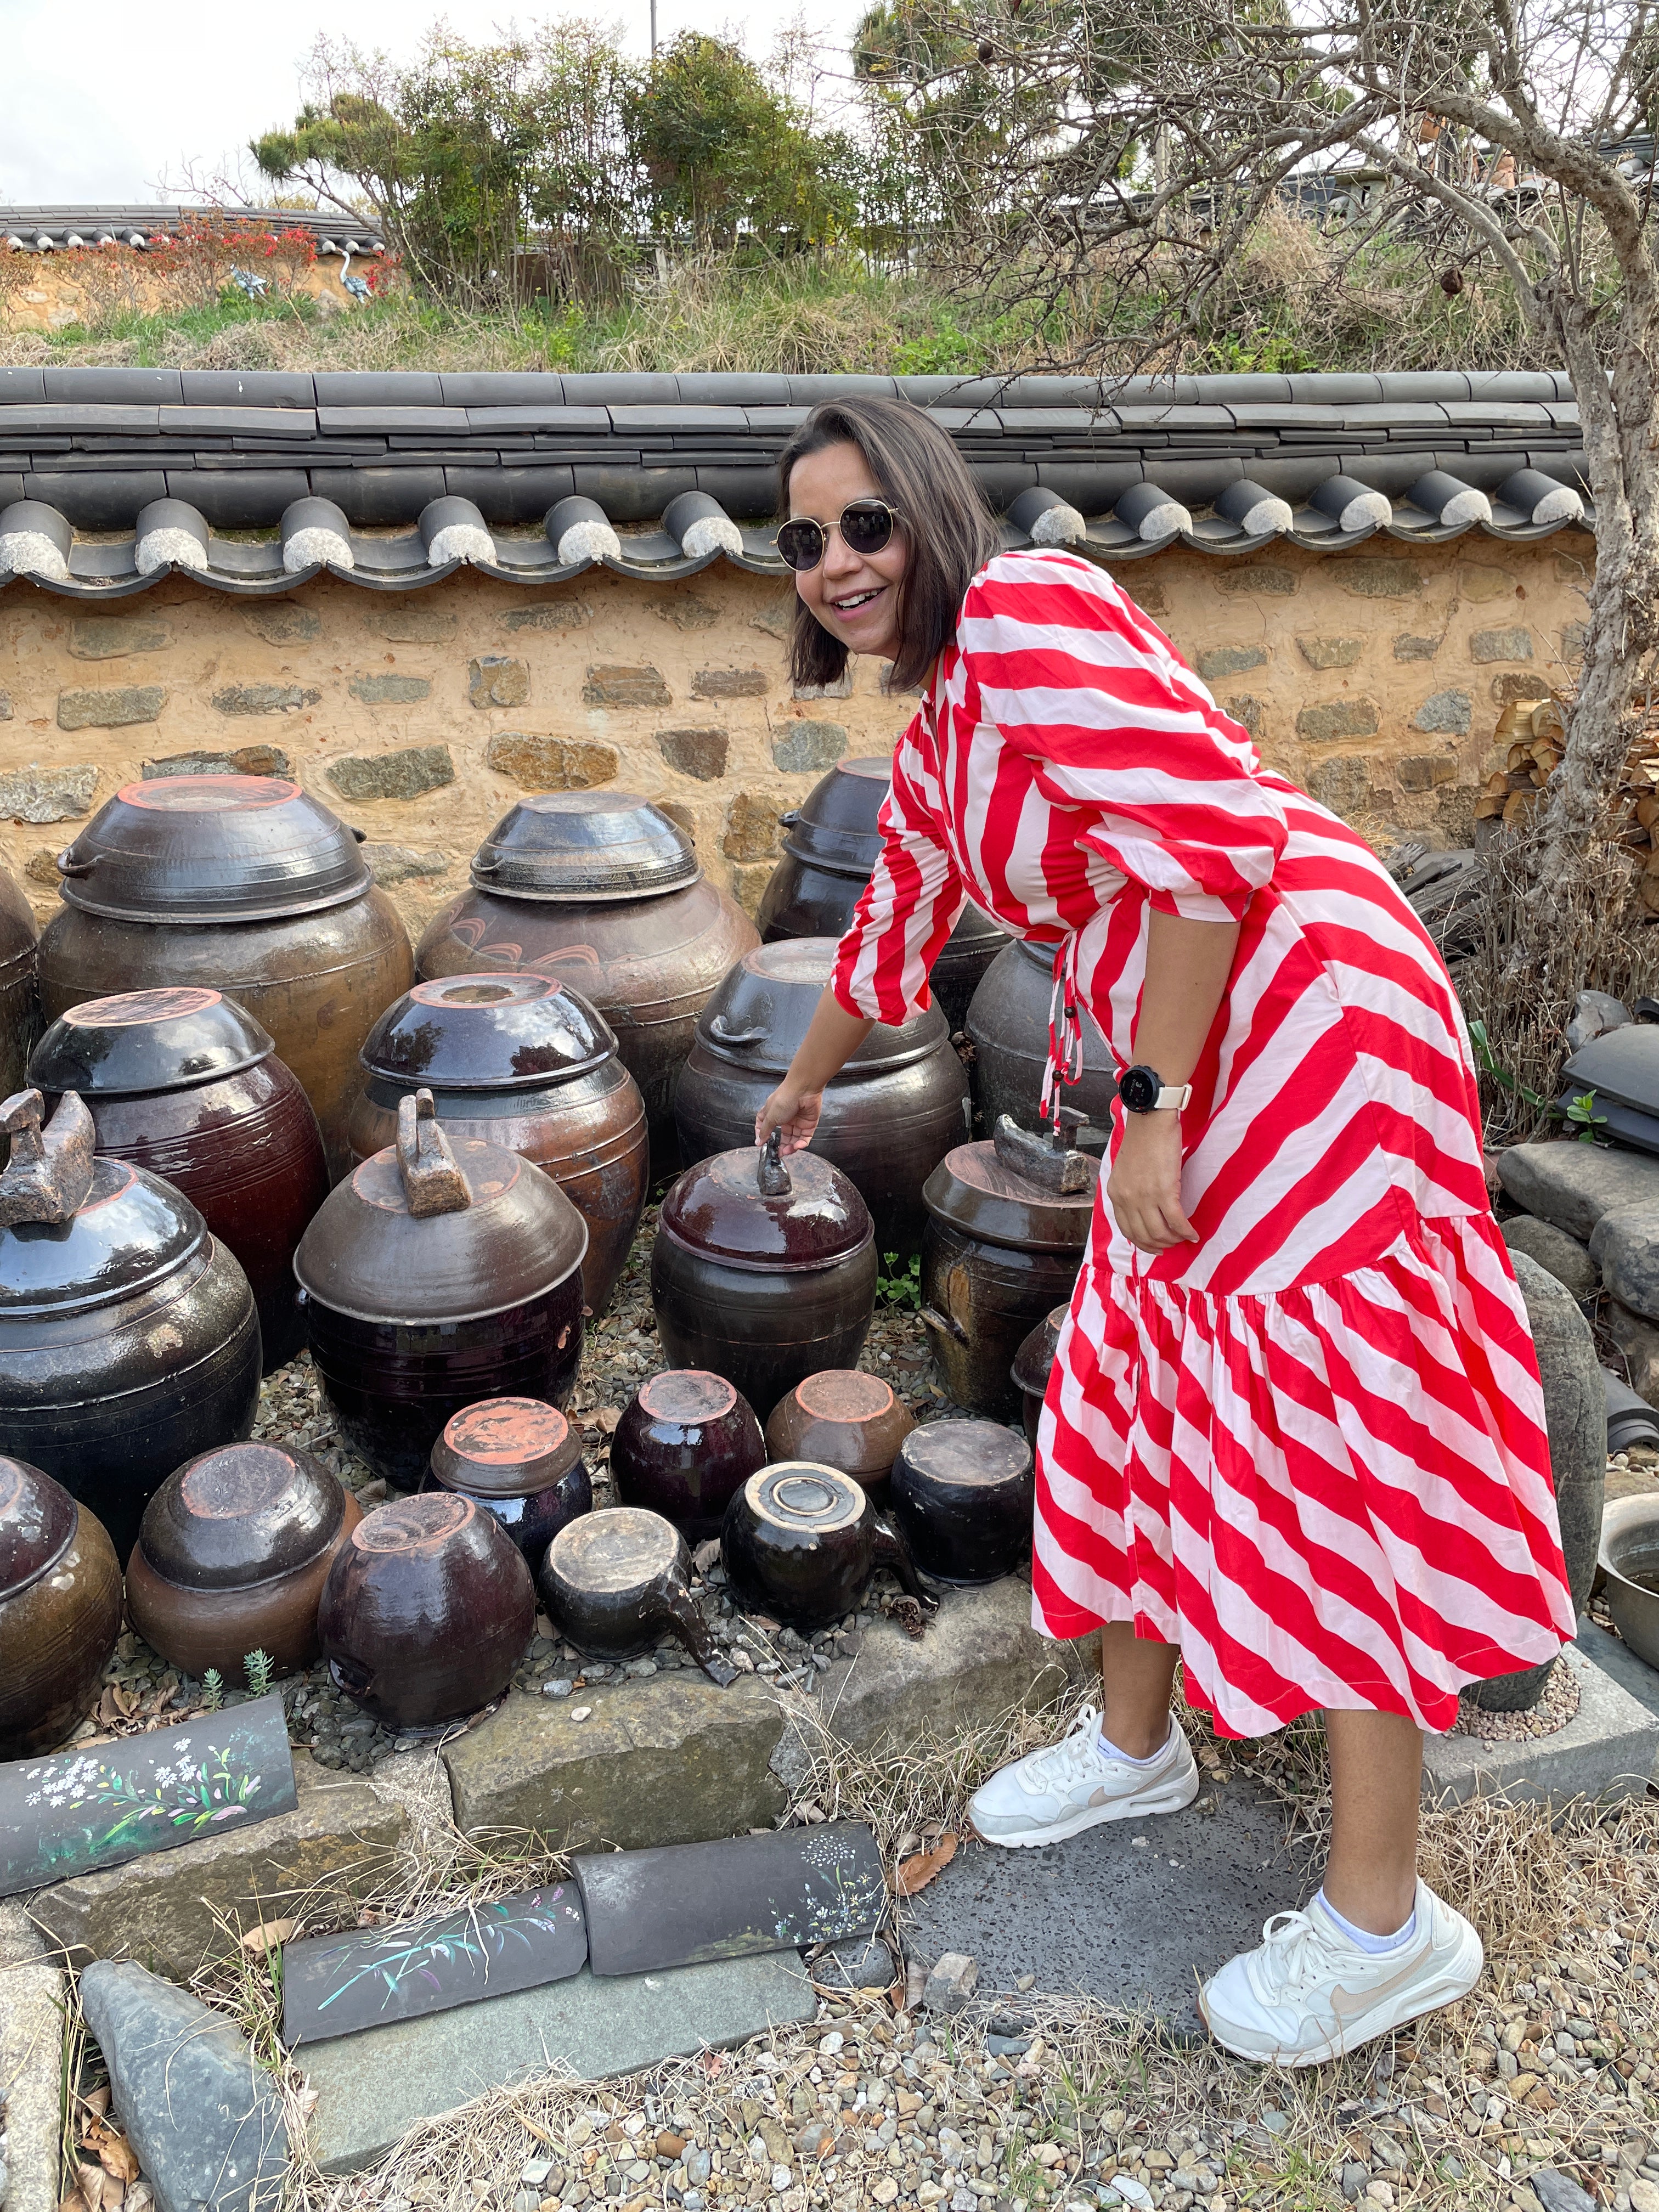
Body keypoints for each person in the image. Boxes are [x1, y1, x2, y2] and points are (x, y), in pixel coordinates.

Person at [754, 396, 1576, 2067]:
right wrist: (796, 1094)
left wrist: (1151, 1102)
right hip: (1186, 1046)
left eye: (863, 525)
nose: (836, 563)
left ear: (927, 513)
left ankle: (1382, 1922)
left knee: (1331, 1434)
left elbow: (1208, 856)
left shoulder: (1030, 609)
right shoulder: (941, 735)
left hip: (1296, 1019)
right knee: (1135, 1373)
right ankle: (1140, 1741)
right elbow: (885, 935)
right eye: (802, 541)